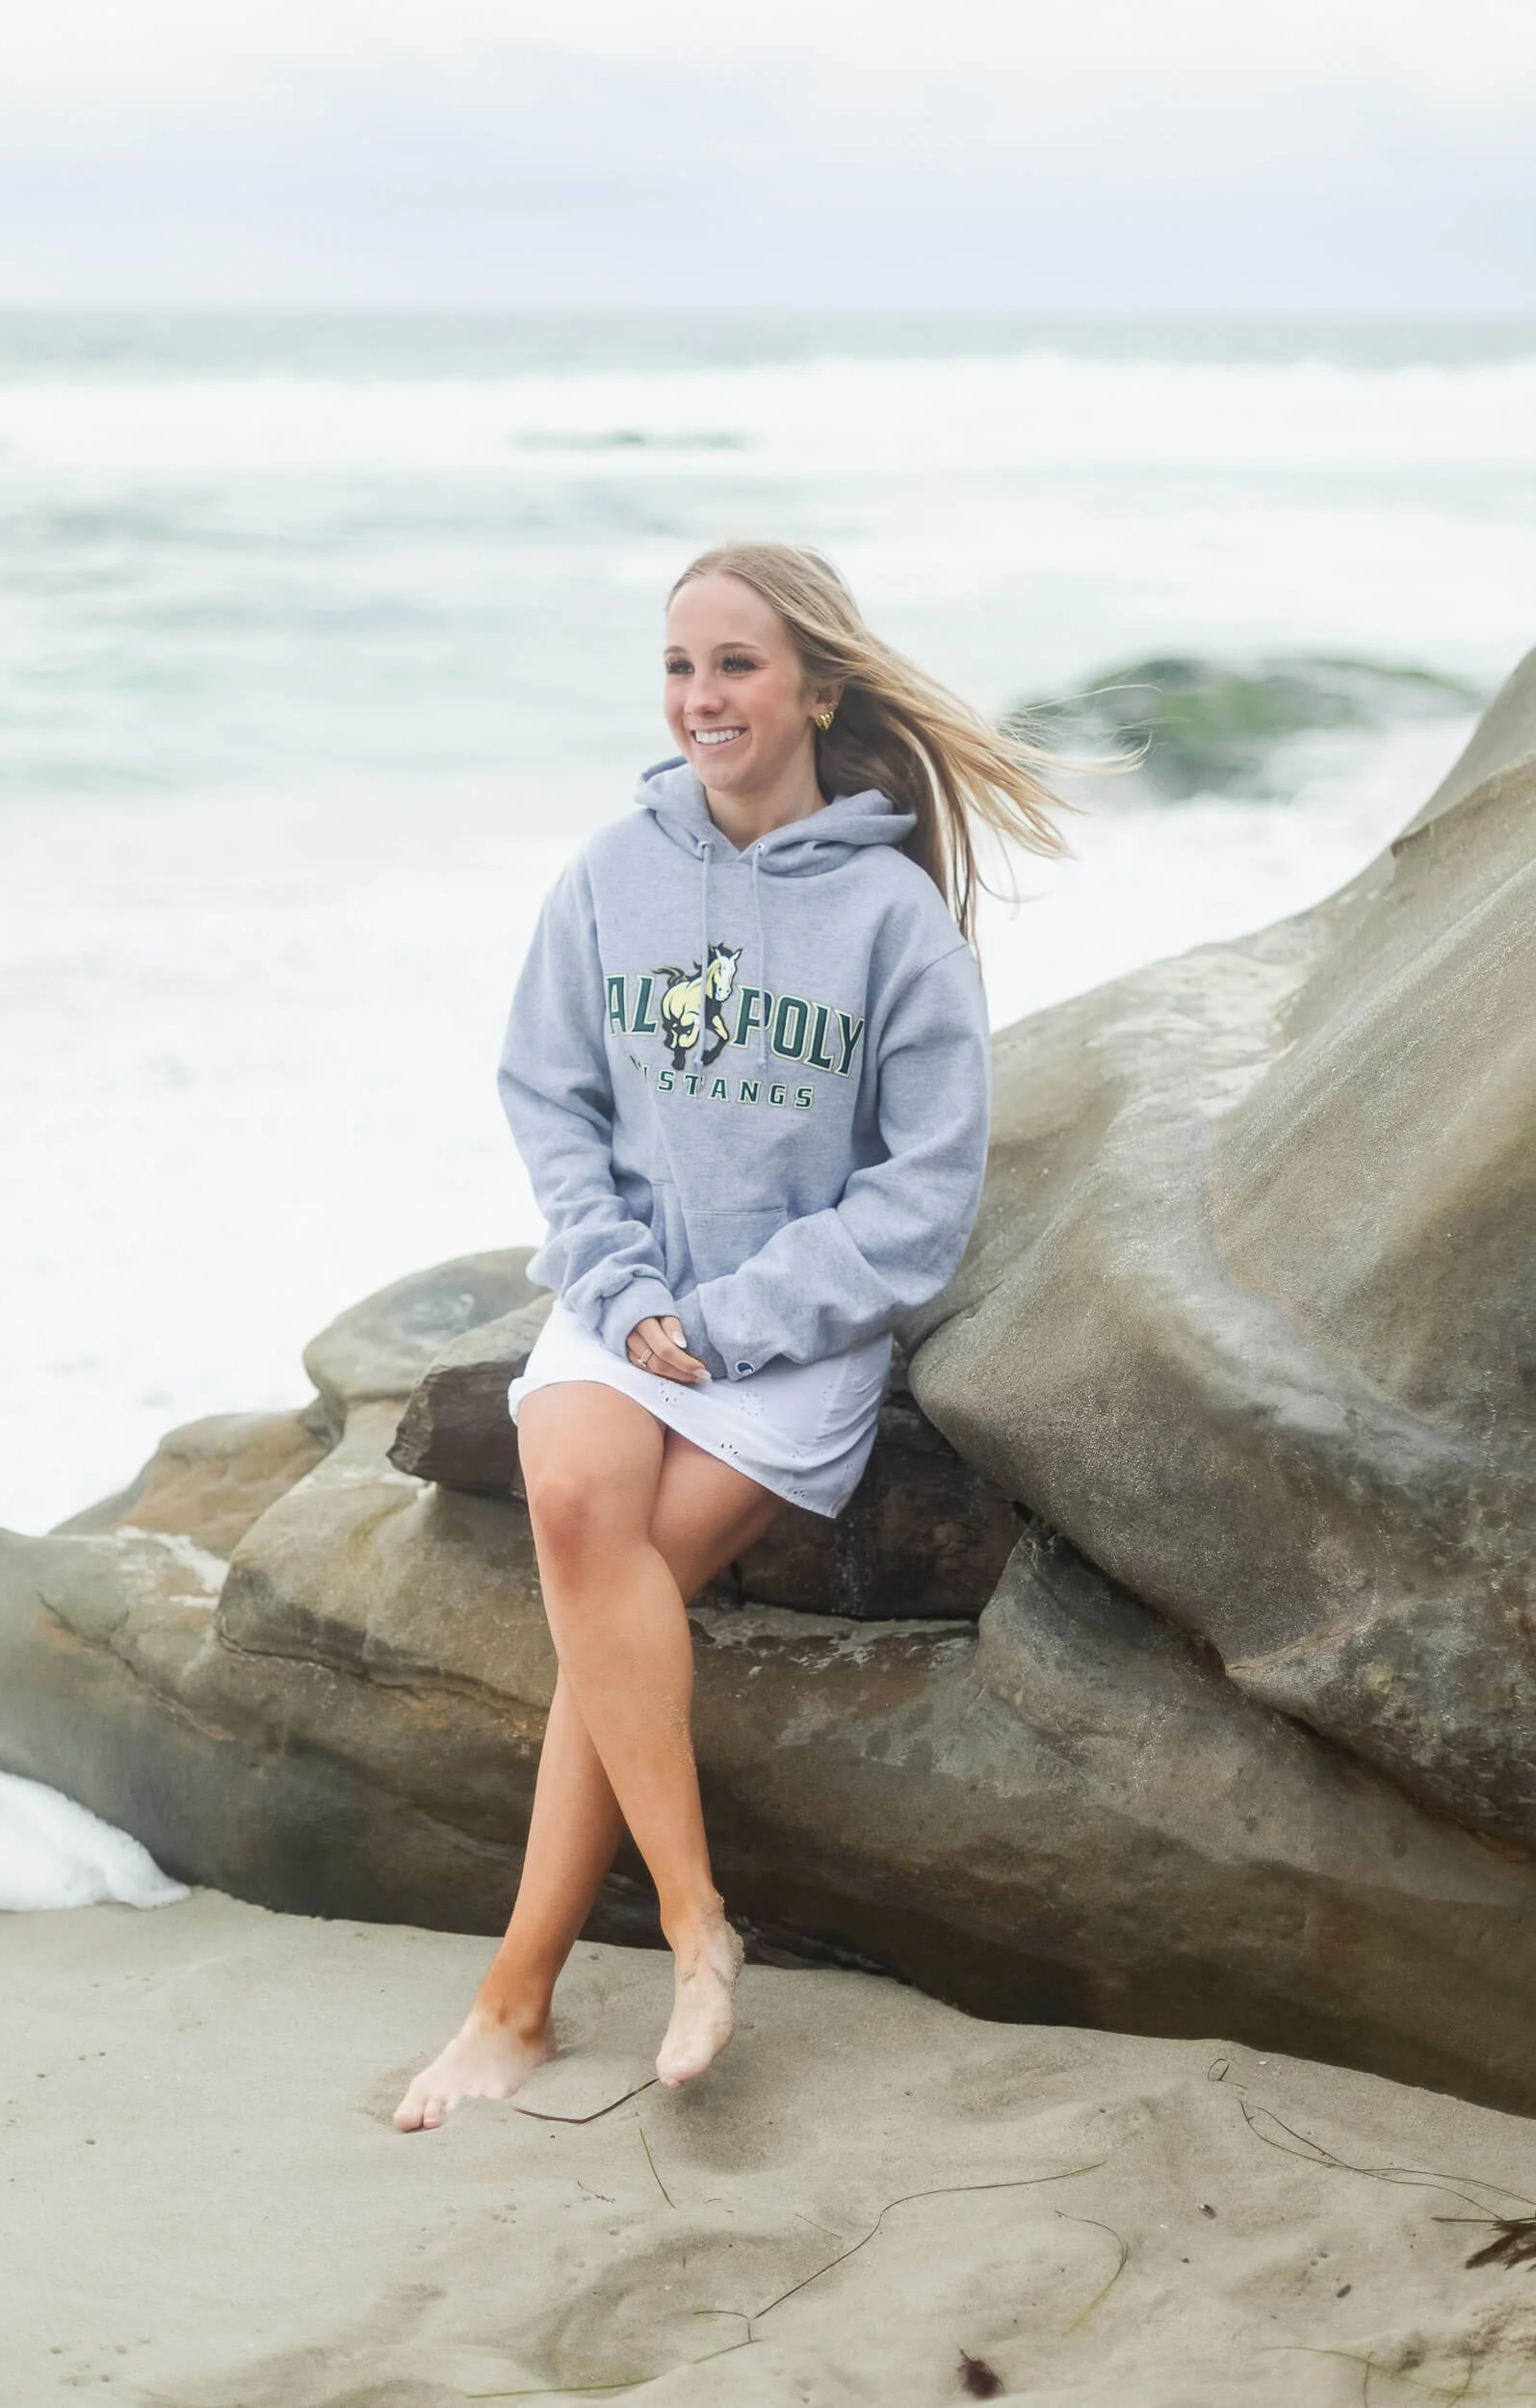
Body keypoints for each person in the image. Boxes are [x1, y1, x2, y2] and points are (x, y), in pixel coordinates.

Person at [393, 539, 1073, 2132]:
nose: (701, 697)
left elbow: (922, 1199)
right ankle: (696, 1925)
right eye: (679, 667)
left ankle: (514, 2002)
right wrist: (626, 1292)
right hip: (624, 1304)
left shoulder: (895, 918)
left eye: (736, 666)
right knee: (577, 1511)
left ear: (817, 689)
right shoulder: (610, 872)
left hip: (792, 1335)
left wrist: (733, 1320)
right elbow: (547, 1100)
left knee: (607, 1606)